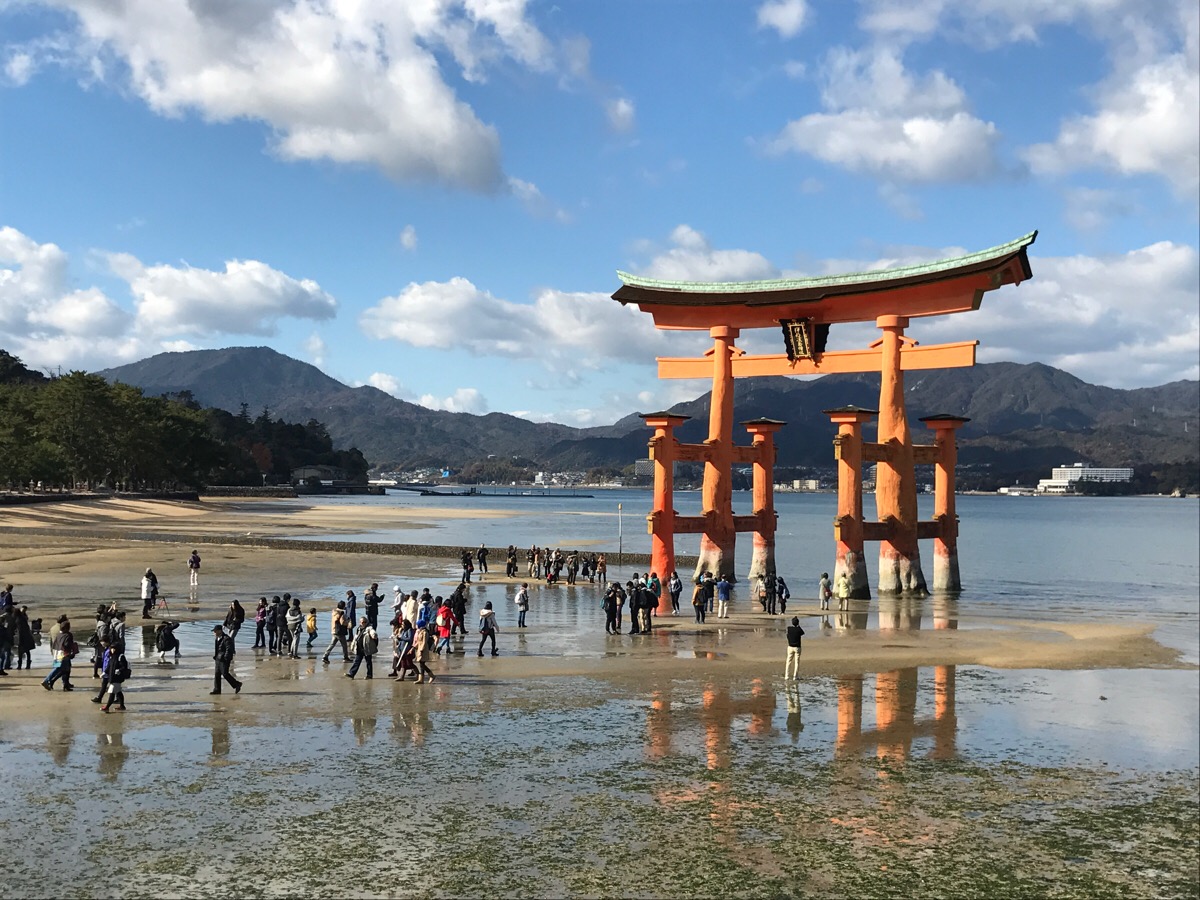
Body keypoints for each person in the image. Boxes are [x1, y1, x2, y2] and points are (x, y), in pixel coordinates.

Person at [42, 622, 77, 690]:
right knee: (63, 670)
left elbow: (54, 644)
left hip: (57, 653)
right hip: (64, 654)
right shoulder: (68, 635)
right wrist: (72, 651)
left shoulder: (59, 635)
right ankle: (47, 680)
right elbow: (67, 645)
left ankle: (64, 685)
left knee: (61, 669)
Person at [210, 625, 242, 695]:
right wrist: (215, 657)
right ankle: (217, 690)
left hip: (224, 659)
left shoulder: (227, 639)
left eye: (215, 631)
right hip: (218, 659)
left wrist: (226, 658)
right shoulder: (217, 638)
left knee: (225, 674)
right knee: (217, 674)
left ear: (219, 631)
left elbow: (229, 649)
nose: (214, 633)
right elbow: (217, 649)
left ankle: (237, 684)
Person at [100, 640, 130, 712]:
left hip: (117, 678)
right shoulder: (112, 656)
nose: (112, 650)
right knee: (118, 692)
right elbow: (109, 666)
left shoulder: (121, 656)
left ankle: (107, 707)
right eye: (111, 648)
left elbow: (124, 666)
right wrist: (105, 672)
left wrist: (119, 670)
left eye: (114, 648)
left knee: (112, 692)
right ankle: (122, 706)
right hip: (112, 677)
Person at [784, 617, 805, 681]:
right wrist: (798, 626)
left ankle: (786, 676)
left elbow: (787, 634)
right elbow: (802, 632)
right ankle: (795, 676)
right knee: (797, 662)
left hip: (790, 647)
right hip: (797, 647)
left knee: (788, 661)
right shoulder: (798, 629)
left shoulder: (789, 629)